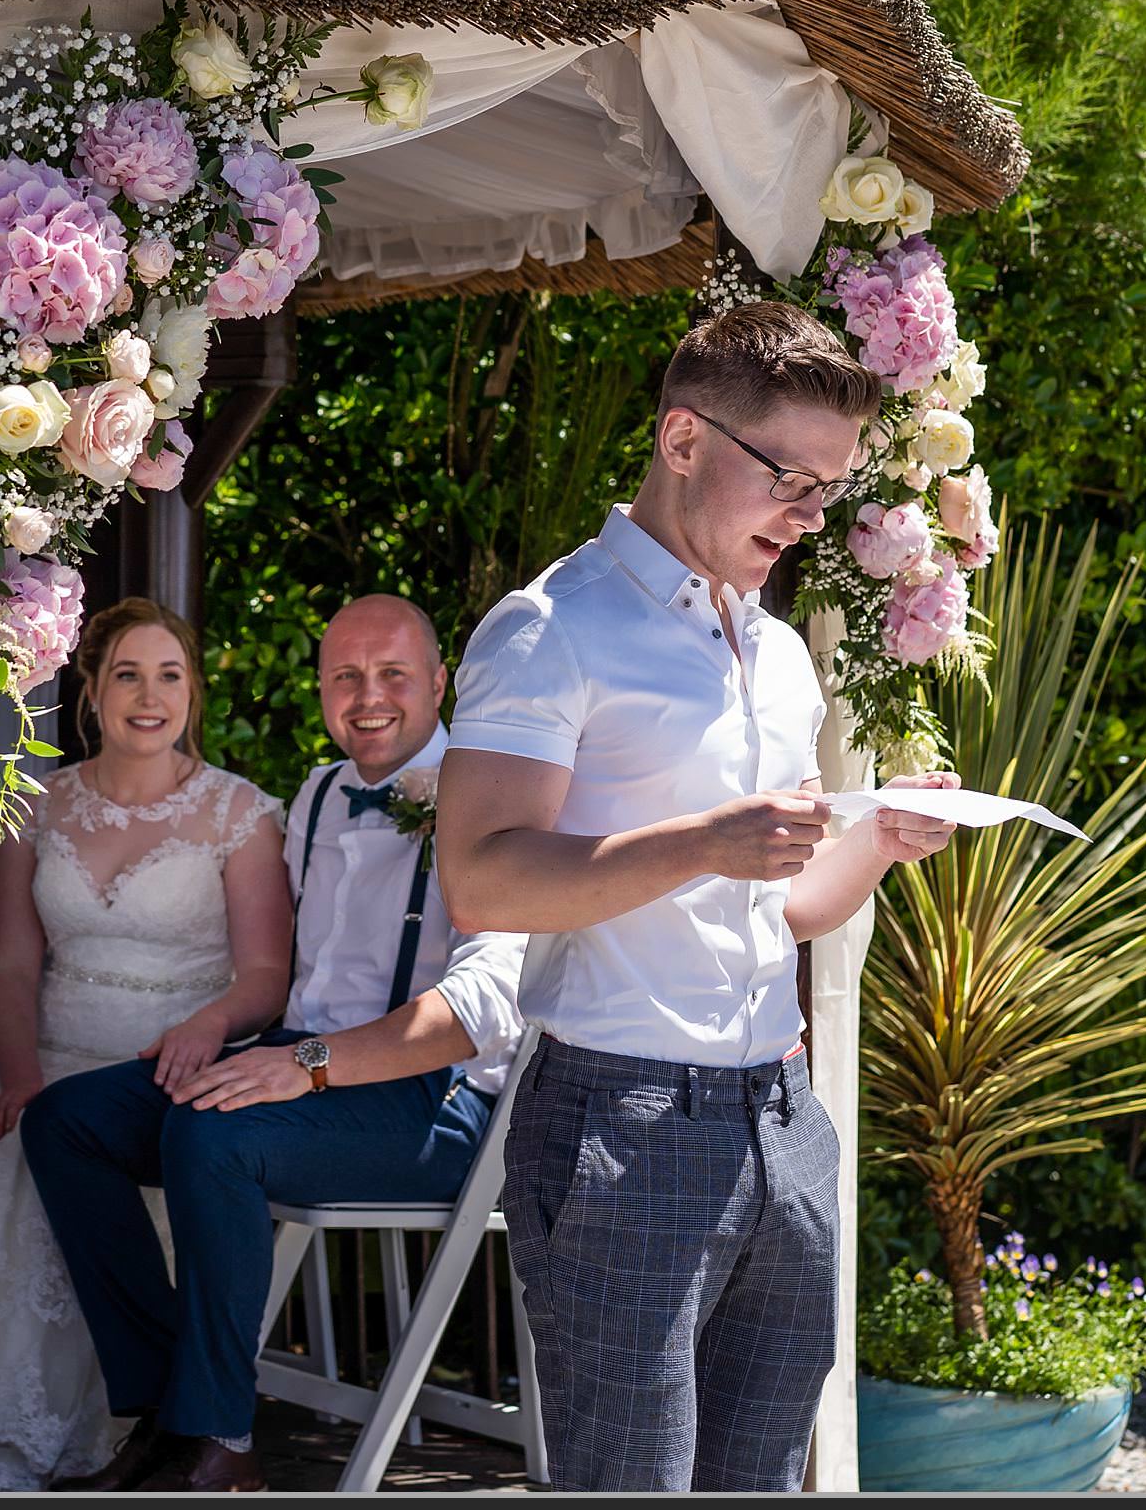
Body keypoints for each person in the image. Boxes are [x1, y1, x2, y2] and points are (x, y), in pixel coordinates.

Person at [435, 300, 961, 1493]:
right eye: (791, 478)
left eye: (828, 491)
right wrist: (706, 840)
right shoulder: (547, 630)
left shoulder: (774, 650)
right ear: (683, 442)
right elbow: (481, 875)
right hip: (621, 1126)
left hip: (783, 1121)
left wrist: (878, 836)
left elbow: (784, 908)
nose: (810, 515)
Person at [23, 593, 527, 1493]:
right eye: (345, 676)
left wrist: (304, 1067)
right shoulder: (323, 793)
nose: (366, 695)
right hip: (299, 1061)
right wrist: (219, 1027)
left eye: (392, 675)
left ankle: (220, 1443)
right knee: (69, 1121)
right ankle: (167, 1411)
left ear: (441, 681)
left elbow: (482, 1010)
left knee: (216, 1136)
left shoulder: (491, 801)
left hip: (434, 1106)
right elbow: (274, 970)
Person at [0, 597, 293, 1491]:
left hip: (173, 1065)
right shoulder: (37, 803)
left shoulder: (241, 814)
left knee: (83, 1159)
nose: (149, 696)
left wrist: (208, 1024)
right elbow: (7, 966)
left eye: (170, 675)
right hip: (48, 1064)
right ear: (92, 690)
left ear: (194, 691)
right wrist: (22, 1076)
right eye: (127, 674)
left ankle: (142, 1419)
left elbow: (265, 975)